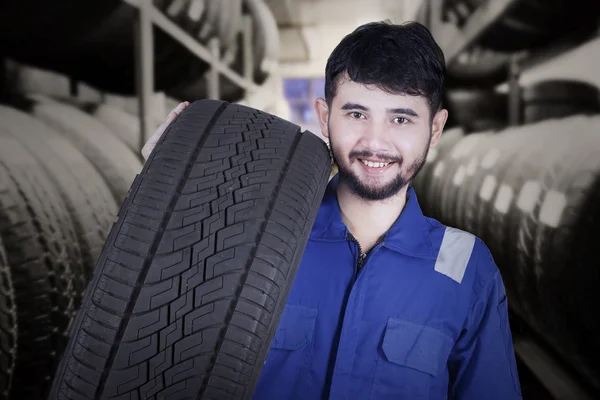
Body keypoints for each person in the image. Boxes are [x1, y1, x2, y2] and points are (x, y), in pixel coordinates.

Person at [142, 20, 522, 400]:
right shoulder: (258, 234)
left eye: (401, 118)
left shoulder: (467, 269)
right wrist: (165, 189)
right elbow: (161, 335)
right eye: (357, 114)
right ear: (324, 117)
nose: (375, 142)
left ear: (435, 129)